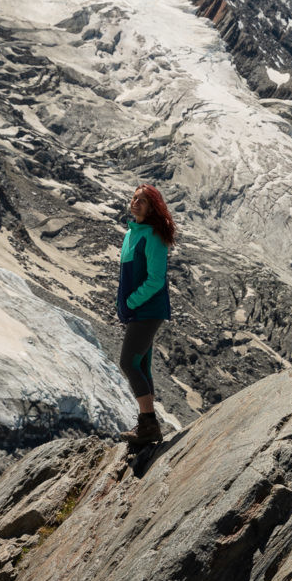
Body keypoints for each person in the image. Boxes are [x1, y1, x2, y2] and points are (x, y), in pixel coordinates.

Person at [116, 184, 176, 446]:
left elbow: (155, 280)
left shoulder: (152, 235)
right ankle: (147, 425)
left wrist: (130, 302)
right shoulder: (132, 234)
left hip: (149, 309)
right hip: (139, 310)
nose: (136, 202)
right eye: (134, 198)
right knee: (140, 365)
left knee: (129, 362)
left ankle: (149, 423)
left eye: (143, 200)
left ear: (153, 206)